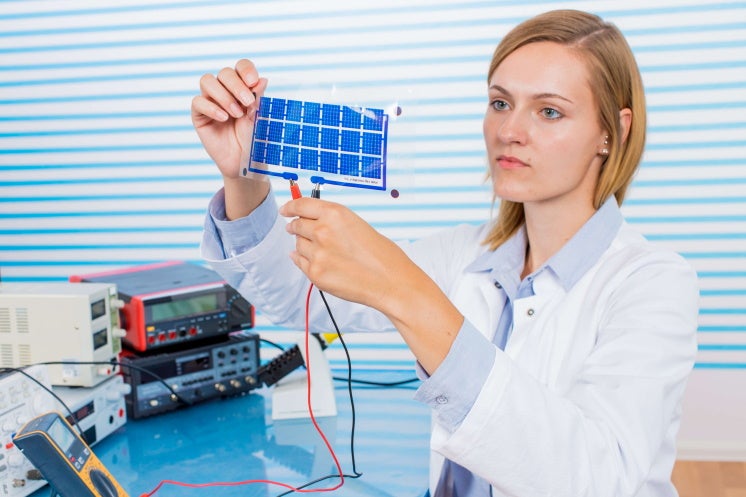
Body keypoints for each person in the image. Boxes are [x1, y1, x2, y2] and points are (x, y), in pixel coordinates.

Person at [194, 9, 699, 497]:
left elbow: (591, 481)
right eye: (501, 103)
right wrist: (244, 175)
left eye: (549, 111)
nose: (510, 131)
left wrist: (406, 292)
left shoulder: (653, 284)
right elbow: (297, 297)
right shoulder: (466, 254)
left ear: (613, 131)